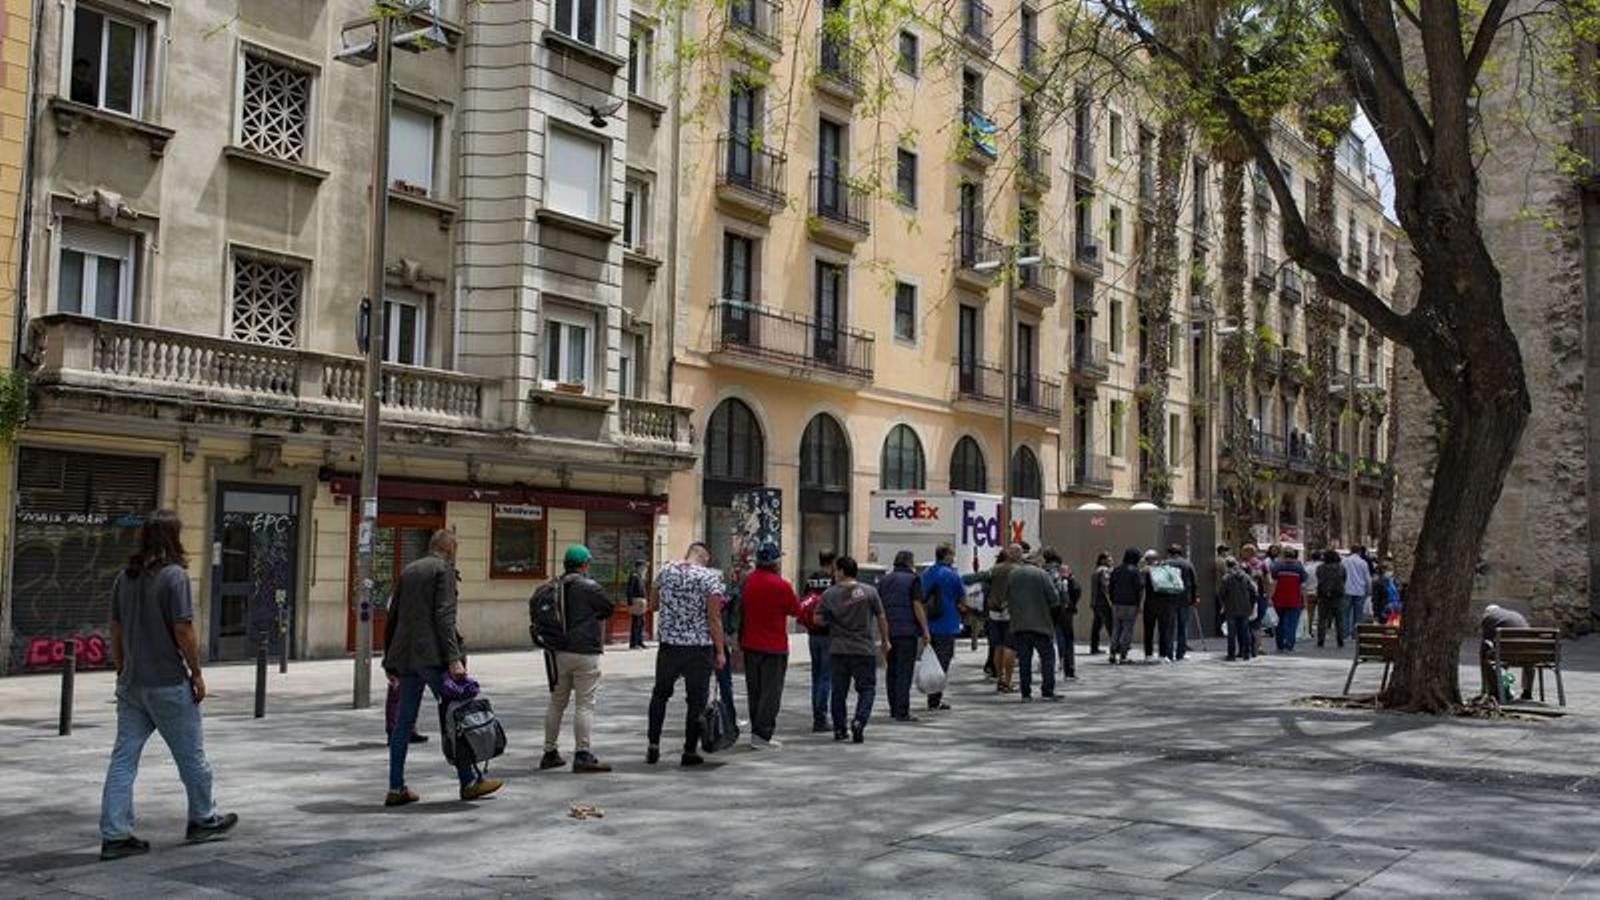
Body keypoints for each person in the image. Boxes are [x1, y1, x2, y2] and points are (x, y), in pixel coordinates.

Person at [98, 510, 238, 862]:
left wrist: (122, 667)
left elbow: (114, 629)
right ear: (174, 537)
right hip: (167, 683)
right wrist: (197, 673)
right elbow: (183, 630)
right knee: (192, 756)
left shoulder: (124, 578)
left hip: (132, 685)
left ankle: (115, 835)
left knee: (123, 759)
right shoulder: (175, 577)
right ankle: (203, 819)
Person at [384, 529, 503, 806]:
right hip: (433, 656)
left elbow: (394, 615)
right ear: (450, 550)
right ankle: (469, 781)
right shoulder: (443, 571)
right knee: (458, 712)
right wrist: (453, 658)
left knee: (403, 722)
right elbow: (445, 616)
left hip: (406, 656)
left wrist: (389, 659)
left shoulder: (410, 569)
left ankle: (395, 787)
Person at [646, 542, 728, 767]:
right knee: (696, 701)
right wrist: (720, 651)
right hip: (698, 648)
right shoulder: (709, 578)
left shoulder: (666, 570)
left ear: (688, 553)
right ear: (704, 557)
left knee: (660, 695)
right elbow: (714, 618)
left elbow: (653, 605)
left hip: (669, 645)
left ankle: (653, 745)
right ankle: (689, 751)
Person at [537, 545, 616, 774]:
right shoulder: (589, 586)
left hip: (557, 652)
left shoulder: (553, 586)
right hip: (585, 652)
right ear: (584, 565)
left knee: (556, 703)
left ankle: (549, 752)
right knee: (584, 704)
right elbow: (607, 608)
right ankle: (582, 754)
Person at [738, 543, 802, 749]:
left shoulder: (747, 582)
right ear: (775, 563)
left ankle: (756, 731)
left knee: (754, 690)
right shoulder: (781, 585)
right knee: (771, 692)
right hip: (774, 646)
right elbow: (796, 610)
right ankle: (762, 734)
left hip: (750, 643)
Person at [821, 556, 890, 743]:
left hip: (839, 649)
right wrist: (885, 640)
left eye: (836, 570)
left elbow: (817, 619)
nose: (834, 574)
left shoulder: (829, 594)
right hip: (864, 649)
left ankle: (839, 729)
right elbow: (881, 617)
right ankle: (859, 720)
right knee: (867, 688)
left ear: (842, 571)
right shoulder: (870, 592)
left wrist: (831, 618)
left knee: (838, 691)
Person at [878, 550, 930, 722]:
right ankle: (902, 711)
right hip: (907, 631)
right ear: (910, 563)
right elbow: (917, 605)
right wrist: (925, 630)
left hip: (889, 630)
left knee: (891, 670)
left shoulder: (884, 580)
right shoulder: (914, 579)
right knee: (904, 671)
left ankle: (894, 707)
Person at [967, 544, 1023, 691]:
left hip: (994, 613)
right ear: (1018, 555)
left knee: (997, 647)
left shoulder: (995, 569)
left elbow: (976, 578)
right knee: (1010, 648)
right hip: (1011, 613)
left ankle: (1000, 678)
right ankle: (1008, 681)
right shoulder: (1020, 571)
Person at [1007, 552, 1062, 701]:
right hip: (1041, 624)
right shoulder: (1042, 574)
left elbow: (1007, 597)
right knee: (1047, 658)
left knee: (1025, 660)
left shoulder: (1013, 574)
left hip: (1019, 624)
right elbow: (1054, 598)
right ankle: (1047, 690)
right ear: (1037, 562)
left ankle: (1026, 693)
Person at [919, 542, 965, 712]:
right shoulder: (953, 575)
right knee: (942, 662)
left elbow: (921, 597)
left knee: (931, 660)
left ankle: (932, 695)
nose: (953, 558)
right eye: (952, 555)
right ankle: (934, 699)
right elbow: (962, 599)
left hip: (929, 624)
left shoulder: (927, 573)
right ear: (946, 556)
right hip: (948, 624)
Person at [800, 550, 837, 732]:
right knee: (826, 677)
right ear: (833, 562)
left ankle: (817, 715)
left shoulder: (811, 579)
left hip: (812, 633)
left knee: (816, 676)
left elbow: (804, 602)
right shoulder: (833, 581)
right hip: (828, 633)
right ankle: (821, 718)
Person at [1479, 604, 1535, 701]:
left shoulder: (1489, 618)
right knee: (1528, 661)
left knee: (1485, 654)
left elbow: (1487, 641)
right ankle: (1527, 692)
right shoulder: (1517, 614)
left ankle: (1491, 691)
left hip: (1505, 653)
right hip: (1528, 652)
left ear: (1487, 613)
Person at [1042, 548, 1080, 679]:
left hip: (1044, 610)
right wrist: (1066, 604)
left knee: (1046, 640)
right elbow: (1062, 589)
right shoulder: (1058, 572)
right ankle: (1069, 669)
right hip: (1060, 610)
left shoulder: (1040, 571)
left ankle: (1047, 669)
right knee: (1067, 638)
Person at [1107, 548, 1144, 664]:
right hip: (1130, 604)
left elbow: (1110, 587)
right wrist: (1139, 604)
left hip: (1117, 603)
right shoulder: (1135, 571)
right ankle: (1123, 654)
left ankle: (1112, 652)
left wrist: (1113, 599)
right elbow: (1139, 588)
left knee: (1116, 628)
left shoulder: (1116, 570)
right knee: (1127, 629)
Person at [1162, 544, 1198, 661]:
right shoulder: (1188, 564)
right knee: (1183, 628)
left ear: (1169, 553)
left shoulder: (1165, 564)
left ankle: (1168, 653)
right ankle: (1180, 653)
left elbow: (1160, 583)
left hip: (1169, 599)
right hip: (1185, 600)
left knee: (1170, 628)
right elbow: (1194, 583)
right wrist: (1194, 598)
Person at [1270, 548, 1309, 653]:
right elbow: (1303, 586)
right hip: (1294, 598)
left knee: (1280, 622)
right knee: (1292, 623)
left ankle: (1279, 645)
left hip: (1279, 598)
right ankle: (1289, 645)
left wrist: (1270, 597)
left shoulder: (1277, 566)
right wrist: (1304, 601)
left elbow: (1274, 583)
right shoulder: (1299, 567)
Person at [1219, 557, 1256, 661]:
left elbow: (1222, 593)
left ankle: (1231, 655)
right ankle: (1246, 653)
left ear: (1227, 566)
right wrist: (1251, 605)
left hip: (1231, 608)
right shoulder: (1246, 577)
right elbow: (1253, 592)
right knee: (1245, 631)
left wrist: (1224, 604)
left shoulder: (1226, 578)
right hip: (1245, 608)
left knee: (1232, 633)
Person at [1314, 549, 1348, 648]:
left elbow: (1318, 578)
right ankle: (1340, 639)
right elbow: (1344, 579)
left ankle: (1321, 639)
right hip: (1337, 596)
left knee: (1322, 619)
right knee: (1339, 619)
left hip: (1323, 595)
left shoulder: (1320, 568)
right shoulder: (1341, 568)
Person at [1342, 545, 1372, 639]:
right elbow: (1367, 578)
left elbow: (1341, 574)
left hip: (1347, 589)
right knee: (1358, 614)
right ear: (1359, 552)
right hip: (1360, 591)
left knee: (1345, 613)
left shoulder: (1344, 561)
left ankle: (1345, 633)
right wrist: (1369, 590)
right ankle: (1356, 634)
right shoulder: (1363, 563)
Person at [1088, 551, 1113, 655]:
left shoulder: (1096, 570)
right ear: (1103, 560)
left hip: (1095, 602)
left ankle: (1094, 647)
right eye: (1109, 559)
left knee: (1096, 626)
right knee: (1110, 625)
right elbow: (1106, 586)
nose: (1111, 561)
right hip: (1103, 602)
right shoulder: (1104, 570)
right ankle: (1116, 647)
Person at [1140, 548, 1161, 661]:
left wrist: (1139, 605)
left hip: (1149, 603)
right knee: (1163, 629)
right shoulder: (1163, 569)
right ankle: (1163, 653)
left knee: (1148, 630)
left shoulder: (1144, 571)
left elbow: (1141, 588)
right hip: (1163, 604)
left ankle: (1149, 654)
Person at [626, 559, 649, 649]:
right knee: (636, 622)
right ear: (640, 567)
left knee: (641, 622)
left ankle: (640, 641)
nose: (646, 569)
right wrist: (630, 602)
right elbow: (630, 589)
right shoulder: (634, 576)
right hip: (636, 601)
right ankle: (634, 643)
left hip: (641, 601)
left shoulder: (640, 576)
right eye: (644, 567)